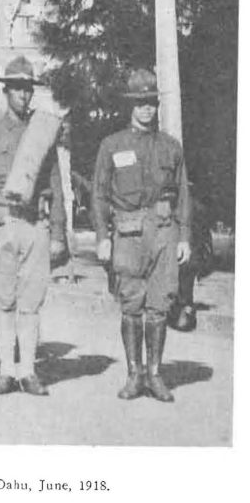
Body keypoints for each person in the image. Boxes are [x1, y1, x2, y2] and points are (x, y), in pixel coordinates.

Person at [92, 68, 191, 402]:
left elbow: (183, 193)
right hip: (128, 234)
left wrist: (185, 237)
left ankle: (156, 374)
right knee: (132, 306)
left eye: (151, 102)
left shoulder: (171, 147)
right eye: (140, 103)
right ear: (130, 106)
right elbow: (99, 194)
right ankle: (134, 375)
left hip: (165, 232)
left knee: (159, 305)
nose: (146, 109)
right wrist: (103, 236)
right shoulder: (112, 145)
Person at [0, 56, 66, 396]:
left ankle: (28, 370)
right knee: (4, 299)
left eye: (28, 90)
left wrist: (58, 232)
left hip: (34, 224)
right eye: (17, 90)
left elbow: (55, 185)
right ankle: (7, 370)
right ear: (6, 91)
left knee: (31, 301)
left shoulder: (42, 133)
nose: (23, 96)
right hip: (0, 224)